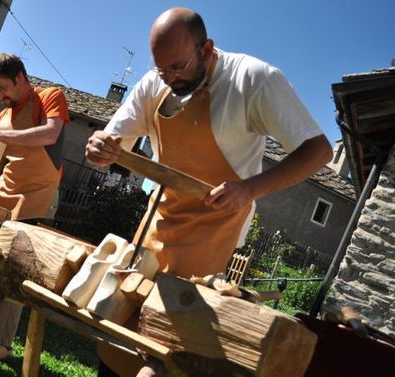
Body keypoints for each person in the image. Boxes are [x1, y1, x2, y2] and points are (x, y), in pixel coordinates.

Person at [85, 7, 332, 376]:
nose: (168, 78)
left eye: (178, 67)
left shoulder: (254, 79)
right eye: (161, 69)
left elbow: (318, 151)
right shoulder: (158, 82)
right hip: (158, 221)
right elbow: (114, 139)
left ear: (207, 49)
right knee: (119, 327)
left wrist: (249, 189)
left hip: (212, 233)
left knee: (170, 342)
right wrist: (101, 148)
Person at [0, 53, 69, 360]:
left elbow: (50, 133)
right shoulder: (3, 116)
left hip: (38, 193)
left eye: (2, 88)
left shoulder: (50, 96)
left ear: (20, 77)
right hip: (5, 191)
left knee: (14, 265)